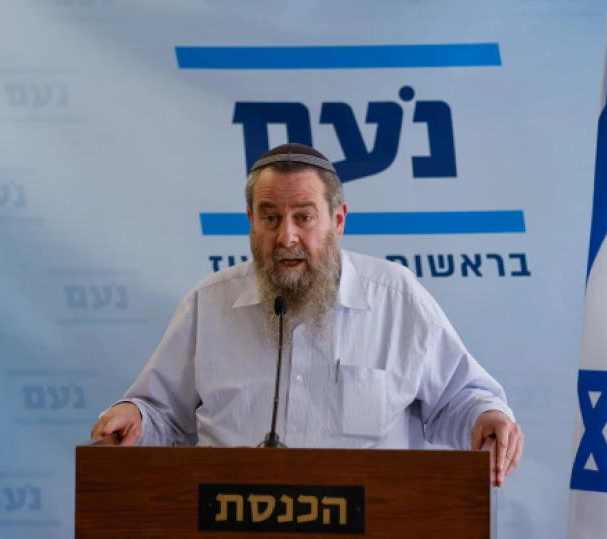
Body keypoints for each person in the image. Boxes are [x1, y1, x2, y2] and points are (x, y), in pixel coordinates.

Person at [91, 143, 524, 486]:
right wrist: (136, 417)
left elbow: (460, 399)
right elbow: (162, 413)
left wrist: (486, 417)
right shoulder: (209, 304)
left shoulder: (397, 299)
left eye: (304, 217)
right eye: (270, 217)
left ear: (338, 221)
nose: (287, 236)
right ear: (250, 221)